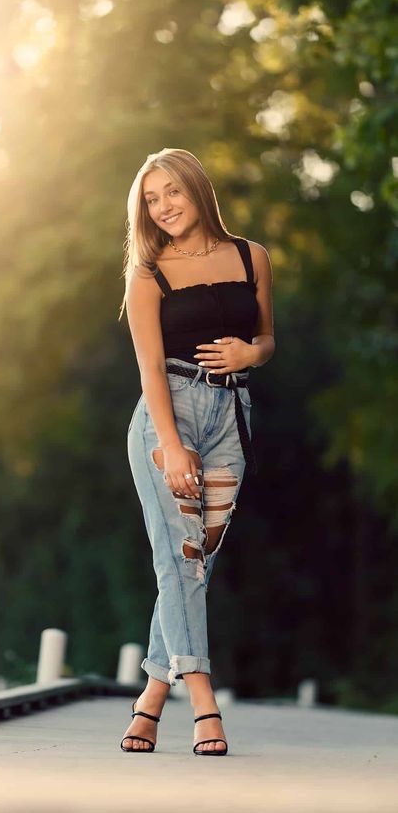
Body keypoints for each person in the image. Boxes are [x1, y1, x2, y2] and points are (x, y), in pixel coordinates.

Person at [117, 148, 275, 755]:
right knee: (178, 559)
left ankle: (151, 698)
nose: (163, 207)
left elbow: (266, 338)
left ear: (196, 189)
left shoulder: (249, 256)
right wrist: (173, 446)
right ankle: (204, 705)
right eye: (150, 200)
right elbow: (150, 368)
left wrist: (250, 355)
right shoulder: (147, 273)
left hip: (232, 416)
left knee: (195, 561)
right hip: (168, 418)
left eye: (171, 193)